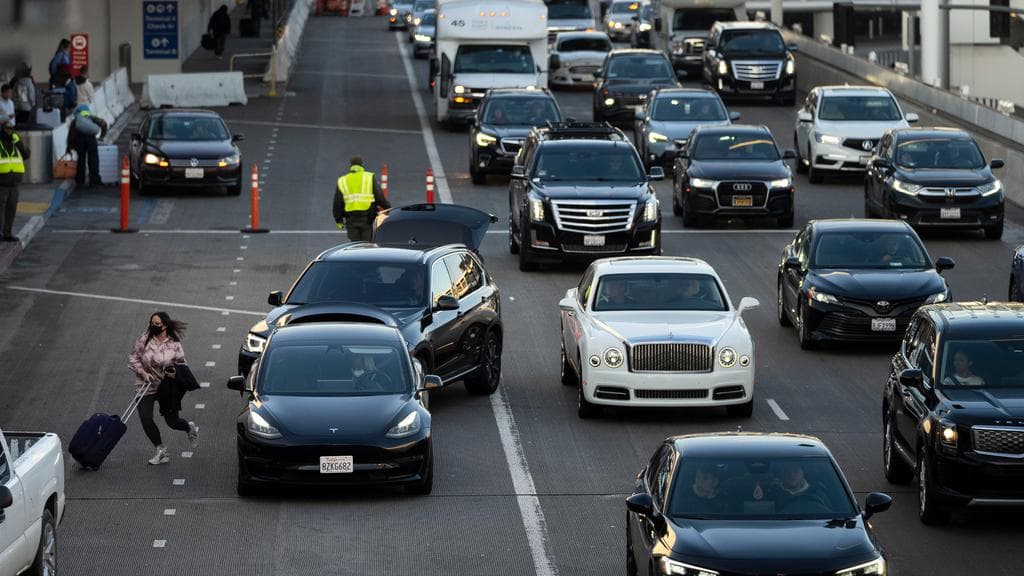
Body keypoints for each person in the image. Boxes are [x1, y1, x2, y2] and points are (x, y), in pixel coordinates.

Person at [127, 312, 200, 466]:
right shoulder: (144, 340)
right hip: (145, 385)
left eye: (157, 324)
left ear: (165, 326)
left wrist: (174, 374)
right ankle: (161, 450)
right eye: (151, 323)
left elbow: (182, 366)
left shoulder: (174, 345)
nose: (153, 326)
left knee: (172, 422)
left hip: (166, 387)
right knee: (145, 418)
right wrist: (143, 373)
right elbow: (133, 358)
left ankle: (189, 427)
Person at [333, 155, 391, 241]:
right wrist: (388, 209)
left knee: (355, 246)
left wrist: (338, 220)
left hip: (351, 220)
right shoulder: (369, 177)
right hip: (368, 219)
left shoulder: (343, 180)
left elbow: (337, 202)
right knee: (367, 245)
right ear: (362, 165)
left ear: (351, 166)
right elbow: (379, 197)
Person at [0, 117, 30, 243]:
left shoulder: (15, 141)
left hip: (15, 183)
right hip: (2, 182)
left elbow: (26, 154)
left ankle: (7, 233)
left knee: (11, 208)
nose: (9, 131)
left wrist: (18, 141)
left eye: (11, 129)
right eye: (7, 129)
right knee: (0, 209)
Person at [67, 105, 108, 188]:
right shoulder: (91, 118)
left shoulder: (75, 121)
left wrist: (69, 147)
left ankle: (80, 181)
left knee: (81, 160)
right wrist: (102, 136)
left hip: (79, 141)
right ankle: (94, 181)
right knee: (93, 160)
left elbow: (71, 135)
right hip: (91, 141)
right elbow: (104, 124)